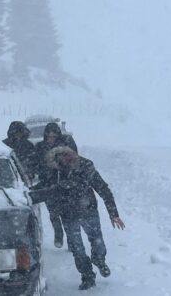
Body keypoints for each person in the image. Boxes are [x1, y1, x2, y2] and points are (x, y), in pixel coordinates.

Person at [38, 146, 125, 291]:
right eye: (62, 155)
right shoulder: (53, 172)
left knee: (97, 240)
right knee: (77, 248)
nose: (66, 157)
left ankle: (99, 259)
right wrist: (25, 195)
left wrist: (113, 214)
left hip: (88, 210)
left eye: (68, 154)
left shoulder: (85, 167)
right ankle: (87, 275)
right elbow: (43, 190)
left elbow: (103, 188)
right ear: (56, 157)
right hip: (67, 215)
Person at [33, 121, 77, 248]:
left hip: (65, 185)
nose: (51, 138)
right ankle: (58, 234)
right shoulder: (40, 147)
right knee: (53, 212)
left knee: (68, 214)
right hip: (48, 184)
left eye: (54, 136)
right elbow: (36, 164)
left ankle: (72, 240)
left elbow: (74, 160)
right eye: (49, 136)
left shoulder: (66, 145)